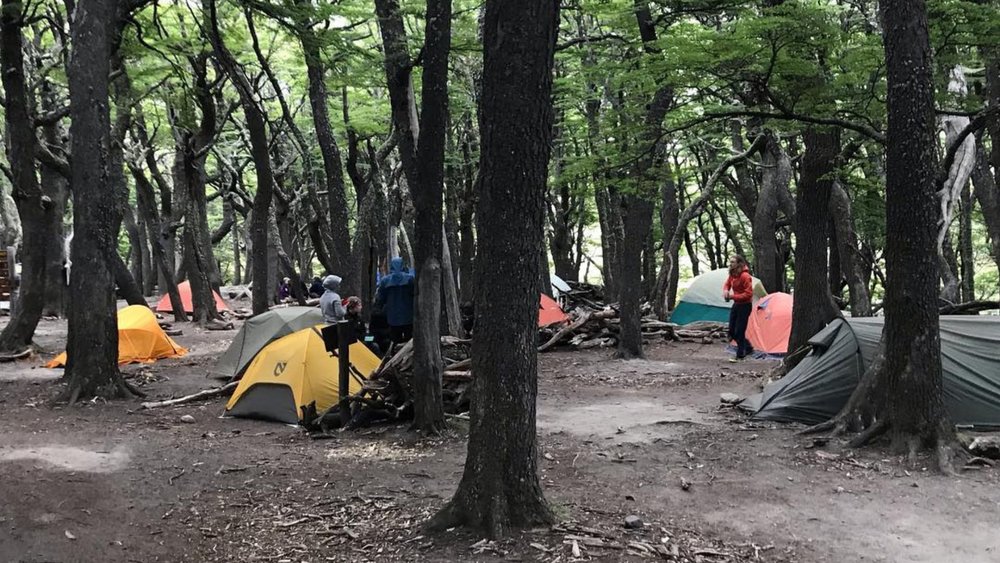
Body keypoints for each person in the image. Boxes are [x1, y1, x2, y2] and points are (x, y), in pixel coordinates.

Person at [374, 257, 415, 344]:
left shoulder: (385, 281)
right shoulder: (410, 279)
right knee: (410, 340)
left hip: (393, 317)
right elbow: (415, 294)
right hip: (409, 315)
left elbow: (380, 298)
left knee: (394, 340)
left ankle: (394, 355)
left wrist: (378, 311)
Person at [723, 255, 754, 361]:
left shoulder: (745, 276)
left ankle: (740, 354)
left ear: (739, 263)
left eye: (732, 262)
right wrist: (726, 291)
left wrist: (732, 296)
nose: (730, 264)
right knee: (731, 331)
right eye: (730, 262)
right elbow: (727, 284)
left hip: (745, 305)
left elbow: (748, 294)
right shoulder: (733, 274)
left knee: (740, 331)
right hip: (736, 304)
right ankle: (748, 347)